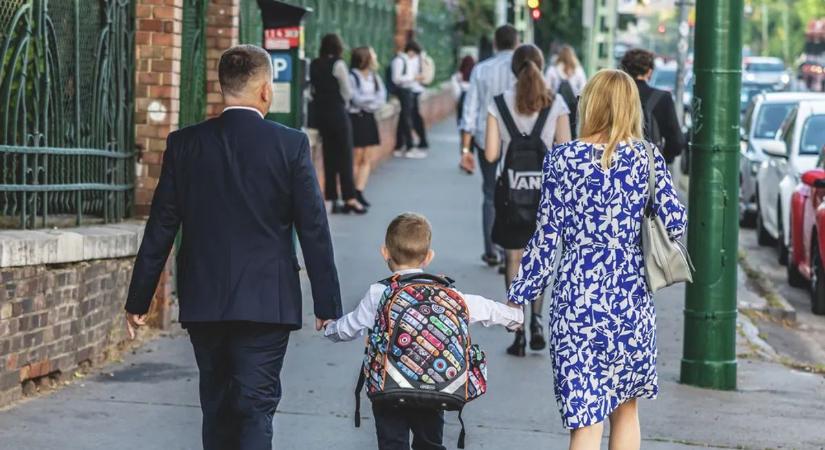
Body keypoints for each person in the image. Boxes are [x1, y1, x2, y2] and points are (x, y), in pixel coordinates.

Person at [124, 44, 344, 450]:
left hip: (205, 299)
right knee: (256, 407)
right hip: (267, 301)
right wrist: (327, 305)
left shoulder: (185, 144)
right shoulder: (290, 145)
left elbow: (161, 227)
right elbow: (313, 228)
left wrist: (139, 299)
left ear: (221, 87)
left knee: (217, 406)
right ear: (264, 90)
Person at [507, 69, 687, 449]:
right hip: (630, 301)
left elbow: (545, 237)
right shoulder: (647, 158)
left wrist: (520, 297)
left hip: (576, 304)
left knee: (585, 421)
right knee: (626, 410)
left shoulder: (562, 159)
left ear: (589, 104)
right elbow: (675, 221)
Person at [322, 212, 523, 450]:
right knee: (429, 443)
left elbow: (349, 328)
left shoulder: (379, 293)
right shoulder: (449, 294)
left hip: (389, 385)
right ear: (428, 257)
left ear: (384, 252)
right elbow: (485, 308)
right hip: (434, 387)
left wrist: (329, 328)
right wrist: (514, 317)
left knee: (391, 442)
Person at [483, 44, 571, 356]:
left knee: (514, 259)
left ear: (513, 68)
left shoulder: (498, 104)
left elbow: (492, 154)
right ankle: (537, 320)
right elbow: (565, 150)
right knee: (540, 258)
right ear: (541, 64)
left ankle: (515, 326)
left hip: (510, 196)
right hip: (545, 196)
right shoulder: (556, 102)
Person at [459, 24, 519, 268]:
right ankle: (510, 251)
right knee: (514, 194)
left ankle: (491, 250)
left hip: (486, 140)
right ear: (516, 43)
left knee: (489, 193)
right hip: (517, 140)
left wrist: (465, 149)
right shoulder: (522, 69)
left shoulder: (481, 70)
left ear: (495, 44)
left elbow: (469, 110)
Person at [310, 33, 367, 214]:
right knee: (345, 157)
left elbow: (311, 90)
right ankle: (349, 198)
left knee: (329, 156)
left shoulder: (315, 63)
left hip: (321, 116)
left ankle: (331, 198)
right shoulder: (339, 64)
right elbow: (347, 92)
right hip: (338, 114)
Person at [620, 48, 685, 163]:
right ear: (649, 71)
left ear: (624, 70)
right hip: (649, 169)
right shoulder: (662, 98)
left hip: (615, 165)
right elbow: (677, 143)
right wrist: (661, 159)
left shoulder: (614, 95)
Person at [348, 46, 387, 208]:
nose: (375, 58)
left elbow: (382, 97)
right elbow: (355, 98)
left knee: (367, 157)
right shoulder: (352, 77)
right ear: (365, 58)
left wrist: (368, 102)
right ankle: (351, 192)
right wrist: (370, 101)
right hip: (356, 118)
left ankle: (360, 190)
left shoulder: (374, 77)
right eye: (373, 55)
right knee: (356, 156)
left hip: (369, 118)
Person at [391, 42, 427, 158]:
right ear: (410, 51)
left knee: (404, 118)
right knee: (406, 119)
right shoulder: (400, 61)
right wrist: (413, 78)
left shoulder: (407, 61)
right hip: (403, 90)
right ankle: (409, 146)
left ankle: (401, 145)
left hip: (409, 90)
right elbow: (396, 79)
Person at [406, 41, 430, 158]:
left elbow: (411, 75)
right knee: (415, 116)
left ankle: (419, 140)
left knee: (412, 117)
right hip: (418, 89)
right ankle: (422, 139)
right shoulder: (422, 58)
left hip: (413, 89)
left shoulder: (413, 59)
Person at [451, 55, 475, 134]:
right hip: (474, 103)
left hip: (462, 101)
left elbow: (456, 94)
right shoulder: (476, 75)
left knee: (462, 127)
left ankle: (464, 145)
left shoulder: (457, 76)